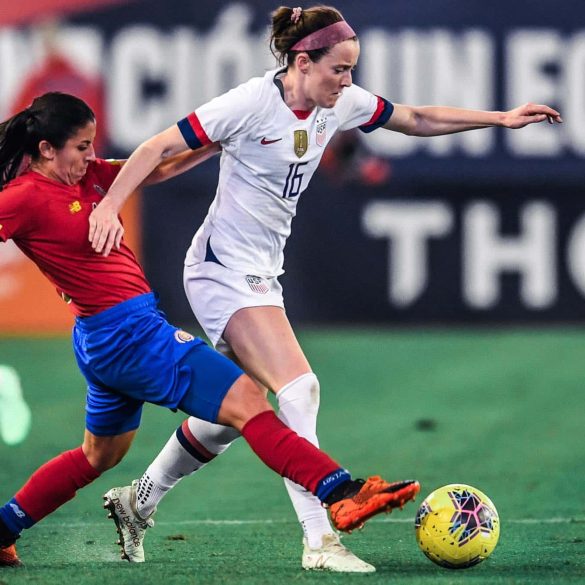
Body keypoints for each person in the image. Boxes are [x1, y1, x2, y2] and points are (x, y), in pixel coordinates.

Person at [91, 4, 562, 574]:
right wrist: (110, 206)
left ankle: (139, 500)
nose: (348, 80)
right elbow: (156, 148)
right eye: (339, 68)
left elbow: (415, 118)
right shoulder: (249, 102)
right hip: (222, 270)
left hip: (261, 272)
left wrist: (501, 118)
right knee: (300, 389)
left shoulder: (338, 103)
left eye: (351, 69)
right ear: (301, 62)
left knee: (233, 411)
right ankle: (320, 540)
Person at [0, 92, 421, 569]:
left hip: (107, 337)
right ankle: (341, 492)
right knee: (248, 401)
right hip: (129, 336)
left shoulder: (90, 176)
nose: (91, 155)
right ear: (46, 149)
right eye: (81, 147)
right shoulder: (23, 198)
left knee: (99, 455)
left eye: (92, 144)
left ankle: (3, 528)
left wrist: (219, 141)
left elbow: (156, 167)